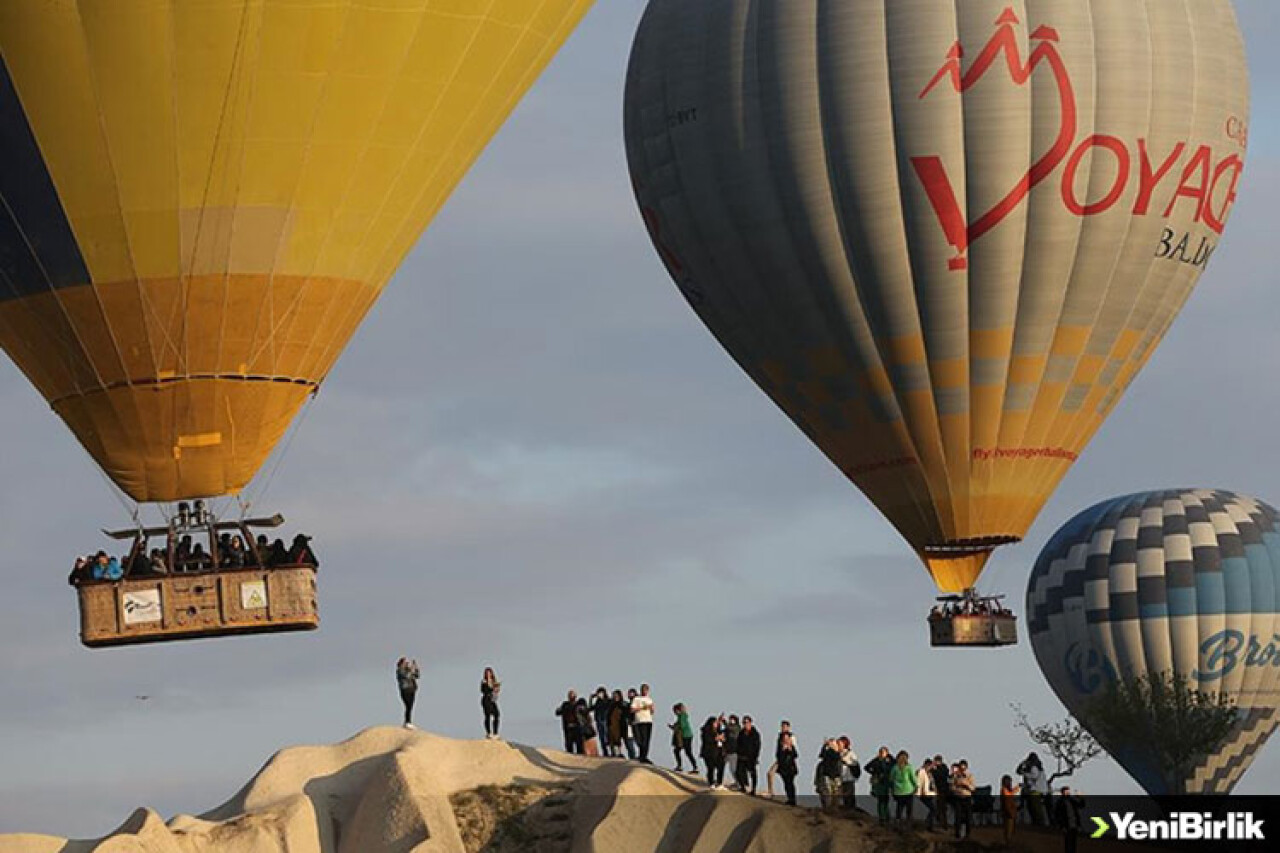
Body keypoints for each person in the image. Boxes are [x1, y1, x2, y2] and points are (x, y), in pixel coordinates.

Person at [865, 746, 894, 825]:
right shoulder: (876, 760)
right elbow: (867, 767)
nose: (881, 754)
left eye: (883, 752)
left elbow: (894, 766)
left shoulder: (890, 760)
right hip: (879, 783)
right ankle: (882, 818)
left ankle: (886, 817)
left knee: (885, 800)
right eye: (880, 752)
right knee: (881, 800)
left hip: (886, 782)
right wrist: (874, 773)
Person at [1017, 751, 1048, 826]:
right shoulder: (1040, 769)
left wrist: (1025, 772)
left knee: (1036, 810)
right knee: (1034, 809)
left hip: (1035, 791)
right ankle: (1038, 824)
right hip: (1039, 791)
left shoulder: (1034, 768)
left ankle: (1040, 825)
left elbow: (1034, 776)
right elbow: (1018, 771)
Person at [815, 738, 844, 813]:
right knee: (828, 794)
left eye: (834, 744)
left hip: (836, 776)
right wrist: (825, 746)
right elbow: (821, 755)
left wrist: (834, 749)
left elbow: (836, 757)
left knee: (836, 794)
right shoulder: (827, 753)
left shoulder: (837, 754)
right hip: (827, 775)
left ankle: (834, 809)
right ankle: (828, 809)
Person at [1054, 786, 1086, 853]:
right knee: (1068, 842)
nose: (1068, 793)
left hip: (1074, 825)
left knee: (1073, 842)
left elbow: (1081, 805)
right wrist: (1062, 826)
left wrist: (1081, 798)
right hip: (1067, 825)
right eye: (1066, 791)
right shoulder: (1060, 802)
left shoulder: (1071, 800)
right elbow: (1058, 815)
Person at [735, 716, 762, 795]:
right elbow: (738, 743)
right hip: (741, 756)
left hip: (751, 757)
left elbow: (757, 746)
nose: (745, 724)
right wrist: (738, 752)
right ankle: (743, 787)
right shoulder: (741, 732)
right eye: (744, 723)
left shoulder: (755, 733)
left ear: (750, 723)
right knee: (738, 772)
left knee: (752, 773)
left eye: (747, 722)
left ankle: (753, 789)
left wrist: (755, 756)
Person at [890, 750, 917, 826]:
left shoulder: (894, 768)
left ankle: (898, 821)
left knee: (899, 807)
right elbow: (913, 779)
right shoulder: (909, 768)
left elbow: (891, 779)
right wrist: (916, 787)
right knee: (909, 808)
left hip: (898, 791)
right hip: (908, 791)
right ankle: (908, 822)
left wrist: (892, 789)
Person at [631, 683, 655, 764]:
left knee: (647, 740)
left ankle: (644, 756)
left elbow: (652, 712)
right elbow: (632, 710)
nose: (644, 691)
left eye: (646, 690)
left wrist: (651, 708)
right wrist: (642, 707)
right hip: (640, 720)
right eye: (643, 689)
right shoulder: (637, 699)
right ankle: (641, 756)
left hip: (648, 720)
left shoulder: (649, 699)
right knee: (641, 739)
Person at [951, 759, 975, 840]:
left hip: (967, 798)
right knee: (958, 816)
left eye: (964, 767)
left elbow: (973, 788)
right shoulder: (956, 776)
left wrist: (966, 784)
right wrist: (956, 788)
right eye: (961, 767)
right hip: (958, 797)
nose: (962, 769)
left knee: (968, 816)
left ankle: (968, 834)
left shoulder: (970, 776)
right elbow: (952, 787)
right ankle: (957, 833)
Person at [670, 703, 697, 772]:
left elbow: (682, 725)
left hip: (686, 736)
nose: (674, 713)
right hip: (684, 736)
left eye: (675, 711)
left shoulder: (682, 716)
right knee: (678, 750)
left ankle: (694, 767)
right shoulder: (681, 716)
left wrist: (675, 727)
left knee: (687, 752)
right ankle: (680, 766)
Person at [700, 716, 726, 789]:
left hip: (719, 752)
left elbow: (724, 734)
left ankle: (719, 783)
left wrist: (722, 739)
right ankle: (711, 783)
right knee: (711, 768)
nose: (716, 724)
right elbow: (707, 740)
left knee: (721, 767)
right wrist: (716, 738)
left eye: (716, 723)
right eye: (715, 723)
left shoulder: (718, 730)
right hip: (709, 753)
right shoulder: (706, 731)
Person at [776, 732, 799, 805]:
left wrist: (790, 749)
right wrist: (783, 750)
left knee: (791, 783)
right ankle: (789, 798)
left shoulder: (792, 746)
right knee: (786, 784)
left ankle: (793, 799)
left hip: (791, 768)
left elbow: (795, 755)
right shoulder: (780, 747)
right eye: (784, 739)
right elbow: (778, 757)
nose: (786, 740)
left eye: (787, 738)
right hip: (783, 769)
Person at [395, 657, 420, 728]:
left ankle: (408, 721)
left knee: (410, 706)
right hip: (405, 690)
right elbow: (406, 676)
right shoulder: (400, 670)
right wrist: (411, 670)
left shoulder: (408, 670)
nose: (407, 664)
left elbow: (417, 676)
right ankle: (407, 722)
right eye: (405, 663)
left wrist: (416, 668)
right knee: (408, 706)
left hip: (412, 689)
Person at [930, 755, 951, 831]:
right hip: (938, 790)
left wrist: (934, 770)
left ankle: (943, 825)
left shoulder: (943, 768)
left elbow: (940, 776)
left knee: (941, 809)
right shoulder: (943, 768)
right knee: (939, 808)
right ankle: (942, 824)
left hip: (942, 791)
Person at [838, 736, 860, 809]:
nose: (838, 745)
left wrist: (846, 762)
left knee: (849, 797)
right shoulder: (838, 754)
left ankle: (851, 811)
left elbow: (855, 763)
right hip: (841, 779)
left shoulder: (851, 754)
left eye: (840, 743)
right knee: (843, 797)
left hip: (849, 778)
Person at [481, 667, 501, 739]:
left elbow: (496, 691)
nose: (489, 674)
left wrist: (496, 688)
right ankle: (488, 733)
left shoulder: (494, 681)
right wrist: (489, 686)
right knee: (487, 715)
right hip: (486, 699)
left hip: (492, 700)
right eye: (487, 673)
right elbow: (483, 690)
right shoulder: (484, 681)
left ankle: (495, 733)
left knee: (497, 714)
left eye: (490, 673)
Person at [917, 757, 937, 831]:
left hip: (930, 793)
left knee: (933, 809)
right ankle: (928, 824)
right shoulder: (921, 772)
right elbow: (919, 783)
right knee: (933, 809)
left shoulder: (929, 773)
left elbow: (932, 783)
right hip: (924, 794)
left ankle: (929, 824)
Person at [607, 690, 627, 757]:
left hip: (620, 724)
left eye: (617, 696)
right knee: (612, 739)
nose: (615, 697)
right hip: (612, 724)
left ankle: (619, 753)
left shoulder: (623, 704)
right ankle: (614, 753)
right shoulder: (611, 705)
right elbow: (608, 715)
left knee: (618, 739)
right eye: (614, 696)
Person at [590, 688, 611, 754]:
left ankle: (612, 751)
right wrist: (591, 699)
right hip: (598, 720)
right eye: (598, 693)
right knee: (601, 737)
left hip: (605, 720)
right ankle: (605, 752)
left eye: (601, 693)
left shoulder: (608, 700)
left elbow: (609, 706)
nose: (599, 695)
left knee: (607, 736)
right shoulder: (597, 702)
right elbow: (590, 708)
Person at [1001, 774, 1020, 845]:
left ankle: (1009, 842)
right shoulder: (1004, 790)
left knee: (1011, 830)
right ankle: (1008, 843)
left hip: (1011, 812)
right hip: (1008, 813)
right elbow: (1008, 796)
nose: (1009, 783)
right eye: (1007, 781)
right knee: (1008, 830)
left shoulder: (1007, 790)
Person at [723, 715, 741, 789]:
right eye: (730, 719)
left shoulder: (737, 728)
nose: (731, 721)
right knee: (720, 765)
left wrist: (724, 722)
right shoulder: (728, 728)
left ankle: (739, 783)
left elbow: (732, 729)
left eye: (732, 720)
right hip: (727, 751)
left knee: (733, 769)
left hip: (734, 751)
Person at [622, 688, 639, 759]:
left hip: (637, 724)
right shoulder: (627, 705)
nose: (630, 695)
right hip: (629, 724)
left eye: (631, 693)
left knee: (638, 741)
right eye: (629, 693)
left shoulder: (638, 703)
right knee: (629, 741)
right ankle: (632, 756)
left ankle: (637, 756)